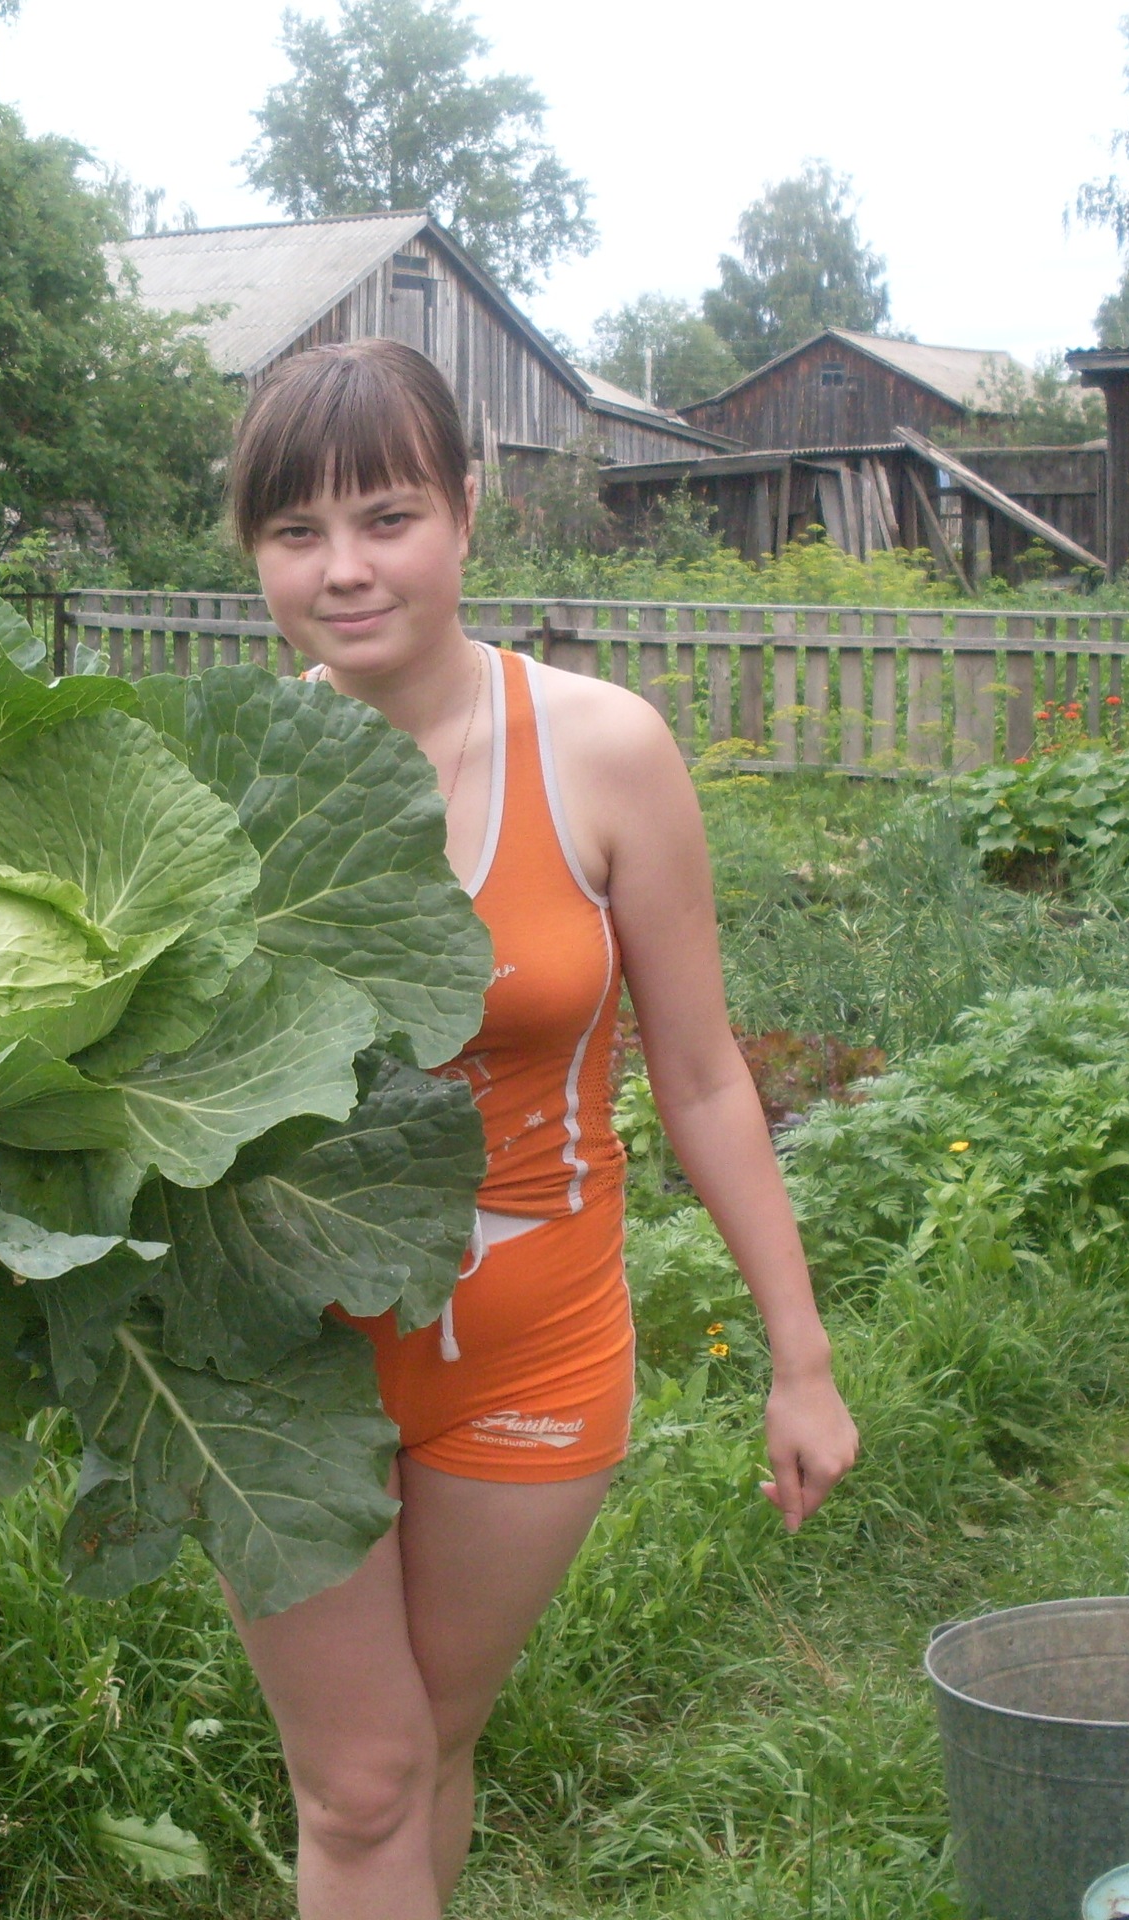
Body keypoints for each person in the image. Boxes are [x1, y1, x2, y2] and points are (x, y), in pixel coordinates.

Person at [224, 337, 860, 1920]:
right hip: (271, 1362)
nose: (345, 568)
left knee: (432, 1743)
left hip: (532, 1348)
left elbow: (701, 1077)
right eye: (298, 531)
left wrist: (800, 1357)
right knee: (360, 1779)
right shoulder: (216, 783)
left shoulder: (604, 752)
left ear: (466, 510)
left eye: (386, 517)